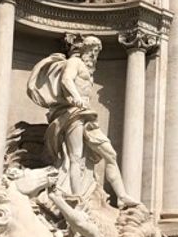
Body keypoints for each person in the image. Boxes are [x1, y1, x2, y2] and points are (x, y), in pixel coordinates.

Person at [27, 34, 137, 208]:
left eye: (97, 51)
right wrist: (76, 97)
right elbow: (66, 80)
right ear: (84, 49)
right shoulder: (75, 62)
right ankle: (77, 198)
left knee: (110, 154)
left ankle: (122, 196)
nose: (94, 55)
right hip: (73, 113)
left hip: (87, 115)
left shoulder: (88, 70)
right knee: (75, 157)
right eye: (92, 50)